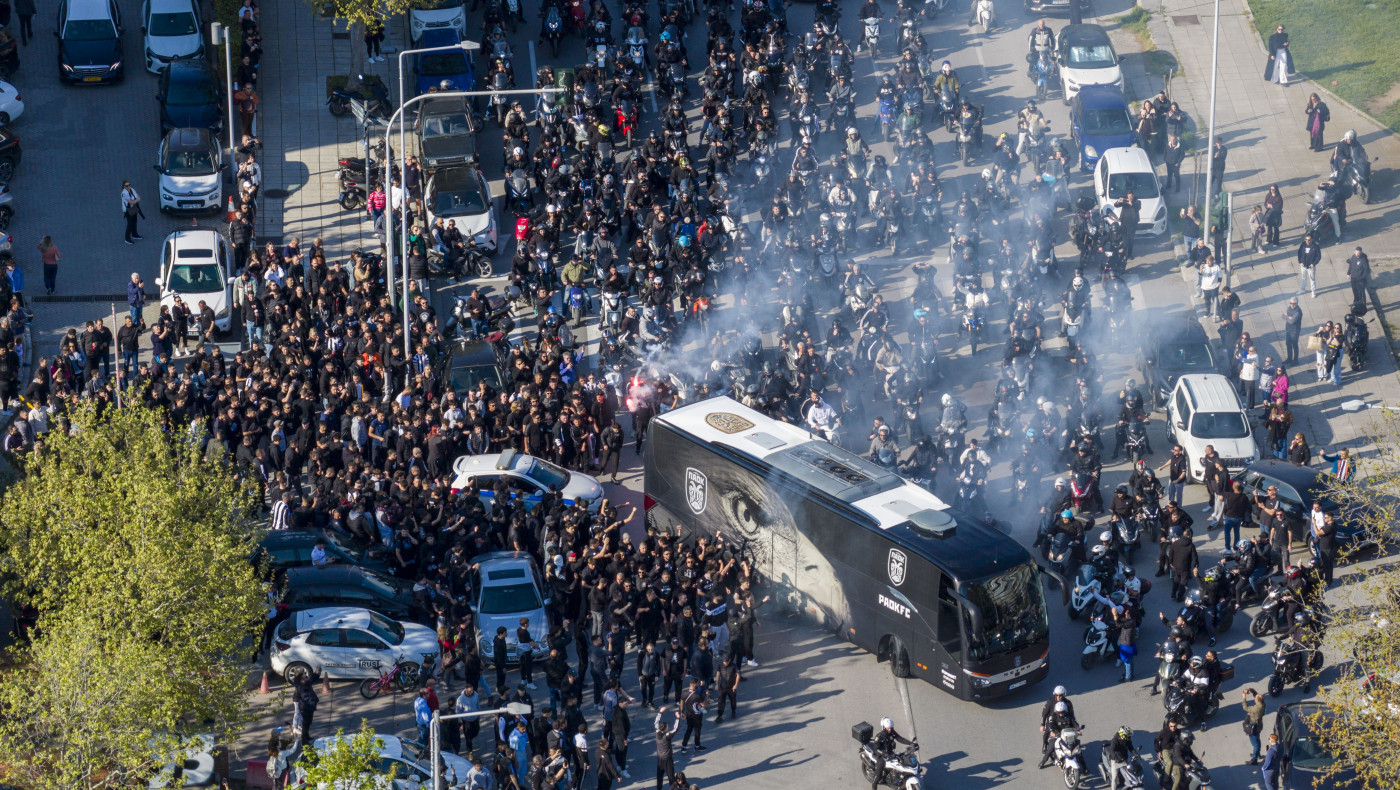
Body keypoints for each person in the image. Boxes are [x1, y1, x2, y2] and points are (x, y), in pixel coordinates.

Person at [871, 716, 914, 790]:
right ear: (883, 727)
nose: (890, 729)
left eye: (890, 727)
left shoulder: (892, 732)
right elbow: (876, 749)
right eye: (888, 728)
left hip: (890, 753)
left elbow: (900, 738)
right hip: (881, 756)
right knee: (878, 775)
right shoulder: (879, 736)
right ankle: (874, 786)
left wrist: (911, 743)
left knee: (902, 762)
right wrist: (884, 754)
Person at [654, 707, 680, 790]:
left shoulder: (657, 732)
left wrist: (660, 712)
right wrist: (678, 718)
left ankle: (659, 788)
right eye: (667, 727)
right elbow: (675, 729)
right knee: (671, 777)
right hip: (667, 759)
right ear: (665, 729)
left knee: (659, 777)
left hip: (660, 758)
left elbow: (656, 722)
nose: (668, 728)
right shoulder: (667, 736)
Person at [1104, 726, 1136, 790]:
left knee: (1128, 773)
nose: (1129, 736)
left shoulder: (1127, 739)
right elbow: (1112, 750)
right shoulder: (1115, 740)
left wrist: (1135, 753)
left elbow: (1131, 747)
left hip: (1124, 760)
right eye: (1128, 734)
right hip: (1116, 761)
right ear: (1123, 734)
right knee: (1114, 777)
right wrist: (1116, 758)